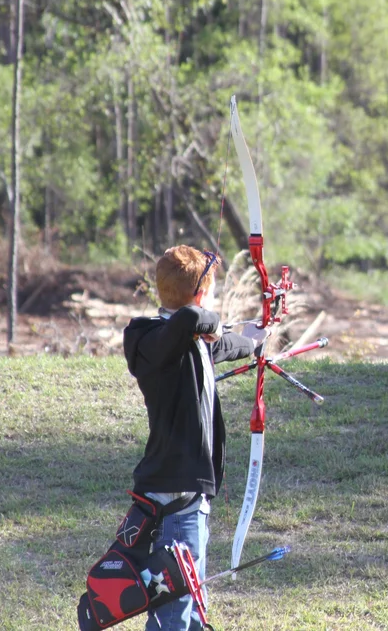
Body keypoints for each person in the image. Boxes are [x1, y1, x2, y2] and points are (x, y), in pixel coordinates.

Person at [122, 245, 265, 631]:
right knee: (173, 616)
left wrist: (254, 341)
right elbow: (190, 319)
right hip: (174, 497)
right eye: (210, 291)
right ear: (201, 295)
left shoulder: (185, 342)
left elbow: (214, 344)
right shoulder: (148, 339)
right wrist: (211, 319)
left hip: (184, 497)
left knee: (191, 609)